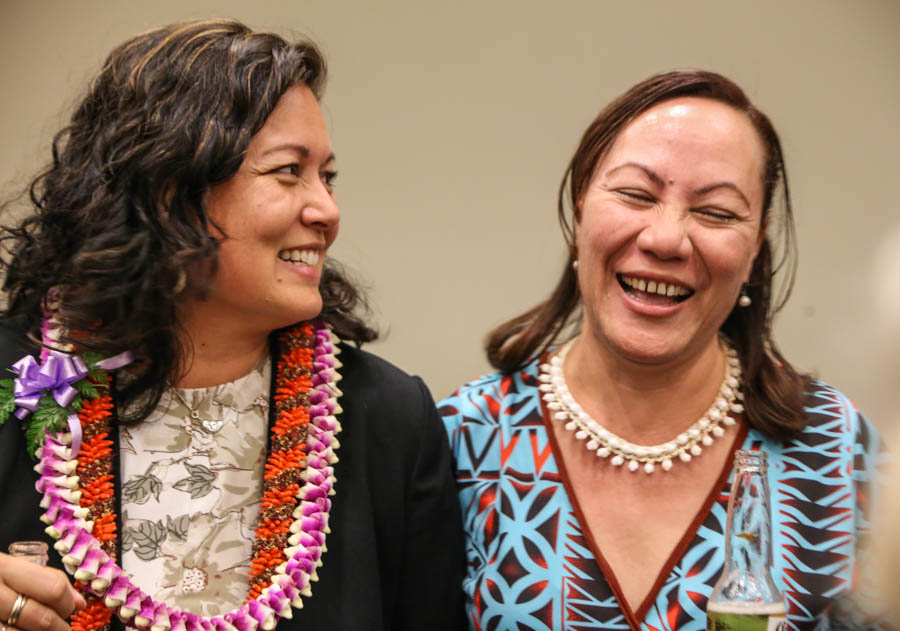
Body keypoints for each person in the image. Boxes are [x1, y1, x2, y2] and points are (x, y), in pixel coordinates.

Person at [0, 19, 465, 631]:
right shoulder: (18, 380)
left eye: (326, 176)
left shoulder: (390, 418)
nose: (327, 210)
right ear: (169, 191)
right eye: (287, 171)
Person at [440, 70, 883, 630]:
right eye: (635, 195)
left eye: (717, 212)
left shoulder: (838, 451)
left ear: (754, 249)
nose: (666, 239)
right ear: (581, 208)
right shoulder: (463, 441)